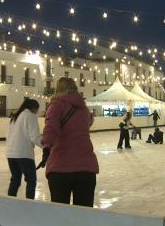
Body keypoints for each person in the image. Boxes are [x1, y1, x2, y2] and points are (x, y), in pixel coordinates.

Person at [37, 77, 99, 207]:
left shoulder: (56, 105)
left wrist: (47, 147)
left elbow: (51, 127)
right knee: (83, 214)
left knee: (61, 216)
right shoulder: (83, 108)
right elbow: (89, 123)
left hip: (60, 168)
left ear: (58, 89)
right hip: (86, 168)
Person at [6, 98, 42, 200]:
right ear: (33, 108)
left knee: (15, 179)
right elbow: (35, 137)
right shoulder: (30, 116)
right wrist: (47, 147)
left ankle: (10, 203)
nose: (36, 112)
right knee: (31, 180)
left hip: (10, 154)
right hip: (23, 154)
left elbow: (7, 136)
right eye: (37, 110)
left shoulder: (15, 117)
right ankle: (29, 205)